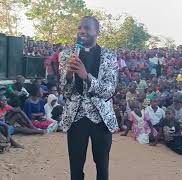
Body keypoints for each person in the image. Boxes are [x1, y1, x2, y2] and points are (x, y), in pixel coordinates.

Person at [58, 16, 118, 180]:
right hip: (76, 118)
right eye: (79, 28)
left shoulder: (109, 57)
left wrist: (87, 77)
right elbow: (65, 92)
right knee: (75, 167)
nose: (82, 31)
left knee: (102, 166)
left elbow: (109, 90)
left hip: (101, 119)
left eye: (87, 28)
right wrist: (69, 76)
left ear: (96, 32)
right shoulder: (65, 55)